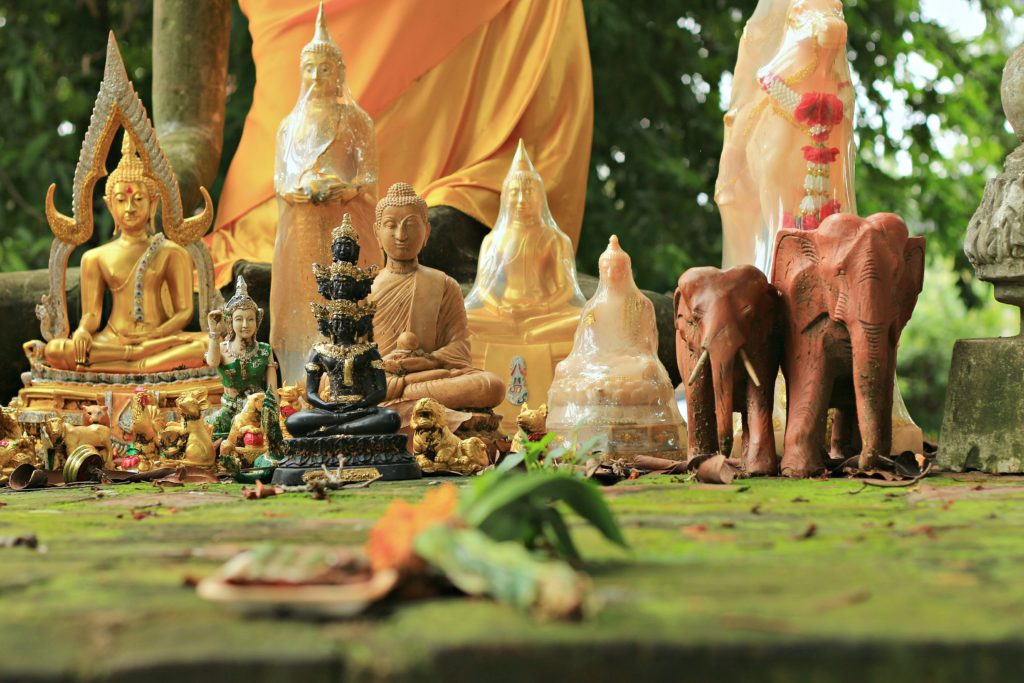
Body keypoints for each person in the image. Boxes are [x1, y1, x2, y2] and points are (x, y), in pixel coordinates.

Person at [151, 0, 593, 286]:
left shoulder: (356, 123)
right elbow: (183, 127)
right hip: (274, 214)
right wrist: (160, 186)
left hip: (461, 200)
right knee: (139, 292)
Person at [40, 137, 207, 373]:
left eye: (138, 199)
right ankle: (138, 362)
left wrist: (155, 335)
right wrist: (83, 332)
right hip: (112, 340)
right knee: (56, 350)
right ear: (110, 206)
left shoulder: (172, 252)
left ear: (153, 203)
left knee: (208, 345)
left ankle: (129, 364)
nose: (129, 208)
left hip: (160, 341)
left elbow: (184, 312)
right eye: (121, 200)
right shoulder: (95, 257)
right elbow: (91, 314)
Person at [369, 183, 505, 410]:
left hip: (428, 378)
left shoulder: (444, 284)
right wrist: (384, 366)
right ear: (376, 232)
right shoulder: (365, 289)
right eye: (390, 225)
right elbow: (347, 355)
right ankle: (406, 397)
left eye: (411, 225)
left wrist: (429, 360)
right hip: (380, 379)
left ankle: (402, 399)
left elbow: (459, 346)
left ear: (427, 231)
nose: (401, 235)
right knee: (327, 382)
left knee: (490, 385)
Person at [205, 276, 278, 440]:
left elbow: (272, 392)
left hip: (256, 412)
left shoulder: (265, 350)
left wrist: (274, 419)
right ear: (229, 321)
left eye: (250, 319)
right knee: (205, 431)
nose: (245, 325)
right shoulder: (222, 349)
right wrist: (214, 332)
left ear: (257, 320)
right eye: (239, 319)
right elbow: (212, 362)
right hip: (228, 411)